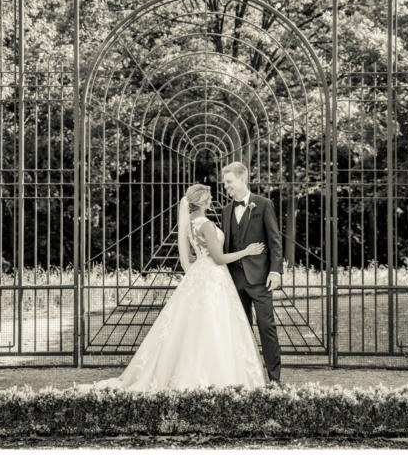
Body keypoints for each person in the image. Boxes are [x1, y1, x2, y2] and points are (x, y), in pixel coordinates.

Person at [82, 184, 268, 391]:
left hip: (199, 273)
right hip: (214, 276)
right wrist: (247, 251)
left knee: (195, 323)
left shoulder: (190, 225)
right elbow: (218, 258)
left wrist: (199, 258)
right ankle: (216, 376)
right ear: (202, 201)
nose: (211, 200)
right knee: (214, 323)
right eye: (209, 197)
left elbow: (190, 255)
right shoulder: (206, 225)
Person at [220, 161, 283, 384]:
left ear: (242, 179)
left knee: (267, 328)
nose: (226, 187)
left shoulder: (263, 204)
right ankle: (247, 378)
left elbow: (274, 240)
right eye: (225, 183)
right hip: (234, 280)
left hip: (260, 279)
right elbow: (225, 245)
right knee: (241, 331)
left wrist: (275, 272)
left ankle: (274, 380)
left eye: (229, 182)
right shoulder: (226, 210)